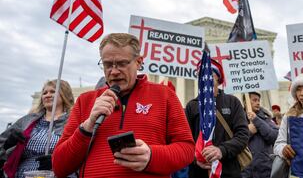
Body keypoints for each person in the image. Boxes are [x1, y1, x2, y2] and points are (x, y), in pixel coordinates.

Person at [52, 33, 194, 177]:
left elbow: (187, 150)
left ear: (138, 62)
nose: (113, 71)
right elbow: (59, 166)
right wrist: (87, 126)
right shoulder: (85, 101)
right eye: (107, 64)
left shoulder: (165, 95)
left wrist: (152, 156)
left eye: (122, 64)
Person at [185, 59, 249, 178]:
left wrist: (221, 150)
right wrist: (195, 158)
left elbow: (243, 135)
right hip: (198, 172)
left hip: (229, 171)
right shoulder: (192, 106)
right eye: (201, 76)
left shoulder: (232, 102)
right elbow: (184, 141)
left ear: (218, 79)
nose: (204, 79)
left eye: (209, 75)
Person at [0, 79, 74, 178]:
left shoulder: (73, 121)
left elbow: (80, 152)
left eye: (52, 91)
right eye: (44, 93)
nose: (47, 95)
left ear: (64, 95)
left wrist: (58, 161)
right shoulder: (26, 121)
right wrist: (7, 144)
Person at [241, 92, 278, 178]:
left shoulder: (266, 118)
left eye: (258, 100)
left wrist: (256, 120)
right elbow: (232, 140)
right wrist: (248, 131)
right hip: (246, 171)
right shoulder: (238, 119)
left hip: (265, 169)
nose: (258, 102)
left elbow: (274, 137)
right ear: (246, 102)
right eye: (254, 100)